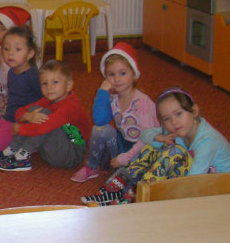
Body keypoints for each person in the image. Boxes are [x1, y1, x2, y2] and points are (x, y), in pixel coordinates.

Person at [82, 87, 230, 205]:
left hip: (217, 193)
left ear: (194, 111)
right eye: (167, 119)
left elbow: (193, 181)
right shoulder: (180, 130)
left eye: (178, 114)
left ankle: (137, 196)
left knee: (174, 152)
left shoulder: (208, 142)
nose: (174, 122)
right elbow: (145, 135)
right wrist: (159, 137)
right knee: (151, 147)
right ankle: (113, 190)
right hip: (195, 184)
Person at [70, 43, 156, 183]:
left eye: (123, 73)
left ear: (134, 74)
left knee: (125, 181)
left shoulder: (141, 102)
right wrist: (102, 92)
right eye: (111, 74)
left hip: (145, 150)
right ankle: (92, 167)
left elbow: (148, 138)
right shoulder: (113, 98)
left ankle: (126, 171)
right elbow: (99, 121)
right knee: (99, 130)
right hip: (125, 145)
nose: (117, 79)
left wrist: (125, 158)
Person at [0, 60, 91, 172]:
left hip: (71, 155)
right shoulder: (48, 100)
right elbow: (20, 111)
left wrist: (20, 128)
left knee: (44, 116)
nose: (49, 87)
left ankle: (22, 157)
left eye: (55, 82)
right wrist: (26, 116)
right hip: (54, 150)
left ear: (68, 85)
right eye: (44, 83)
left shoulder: (70, 106)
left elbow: (44, 127)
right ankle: (11, 150)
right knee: (34, 110)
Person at [0, 25, 43, 155]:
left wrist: (32, 118)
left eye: (18, 49)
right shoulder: (12, 71)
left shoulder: (33, 75)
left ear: (30, 53)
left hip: (22, 122)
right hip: (9, 117)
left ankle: (31, 142)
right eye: (6, 49)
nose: (10, 53)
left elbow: (47, 98)